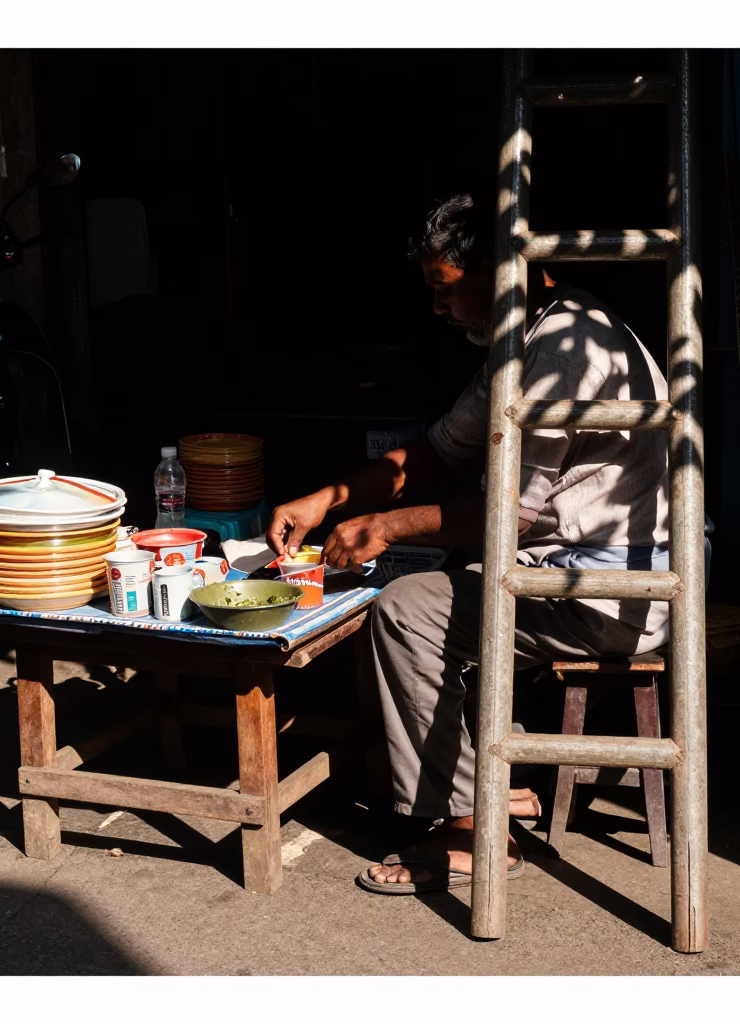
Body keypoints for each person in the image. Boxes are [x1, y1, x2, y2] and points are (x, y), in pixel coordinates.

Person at [266, 192, 674, 894]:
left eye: (443, 290)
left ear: (501, 270)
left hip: (606, 596)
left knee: (406, 608)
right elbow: (437, 452)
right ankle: (492, 779)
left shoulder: (566, 351)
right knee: (447, 577)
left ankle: (469, 827)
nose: (437, 309)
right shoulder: (529, 339)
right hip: (555, 572)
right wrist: (329, 498)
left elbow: (508, 512)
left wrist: (386, 526)